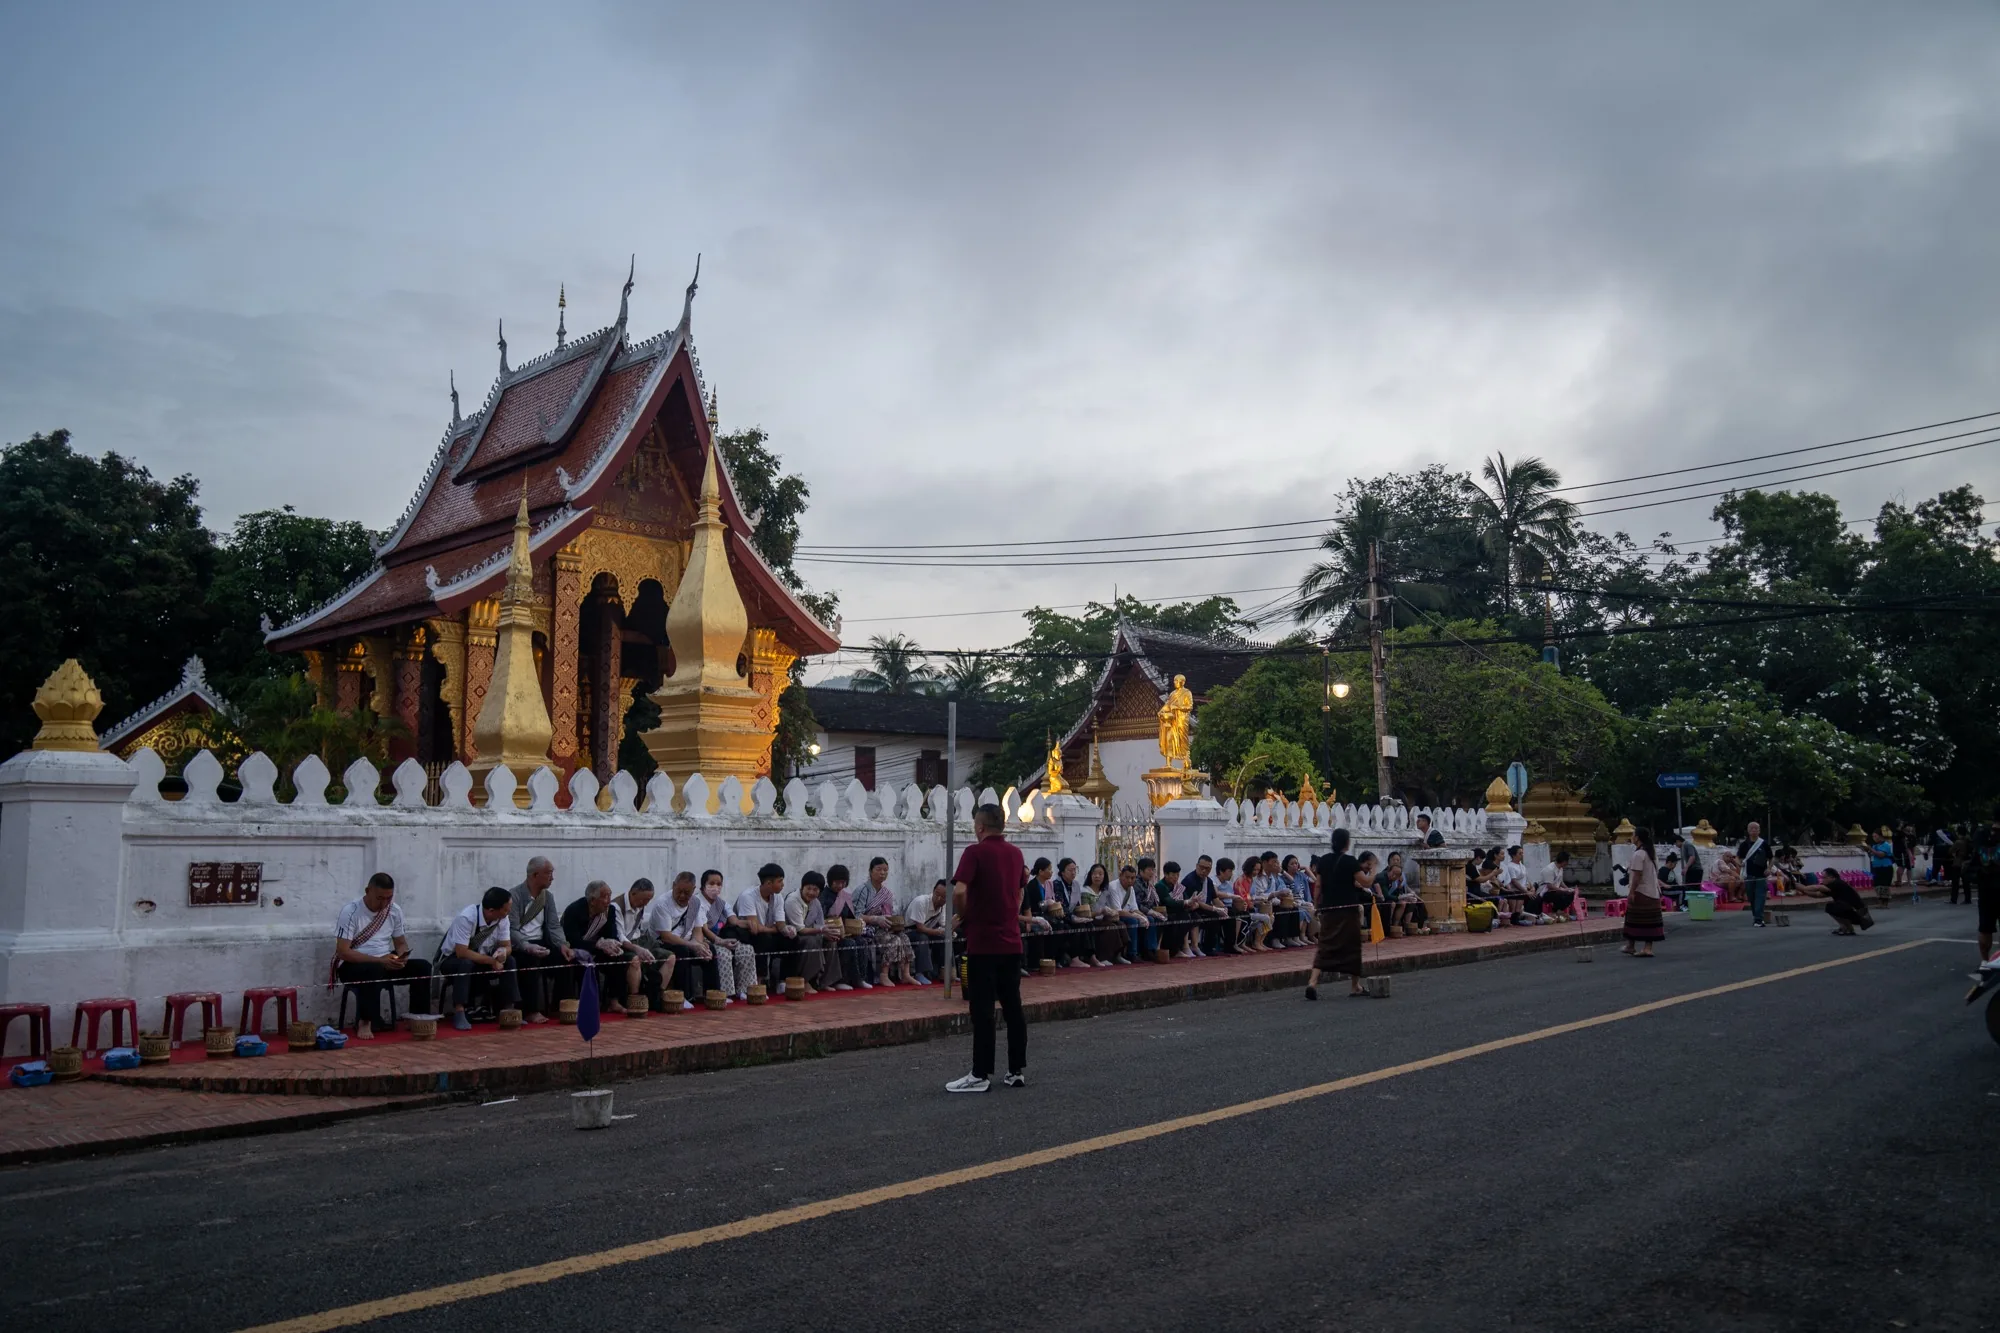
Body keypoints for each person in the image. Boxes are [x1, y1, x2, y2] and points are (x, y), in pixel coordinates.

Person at [946, 803, 1028, 1093]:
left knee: (982, 1009)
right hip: (1011, 940)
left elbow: (958, 890)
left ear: (979, 826)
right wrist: (1008, 913)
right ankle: (1016, 1070)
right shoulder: (1016, 854)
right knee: (1013, 1006)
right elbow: (1020, 891)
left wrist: (966, 915)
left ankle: (980, 1074)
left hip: (983, 941)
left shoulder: (975, 852)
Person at [334, 872, 432, 1039]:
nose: (384, 903)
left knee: (422, 967)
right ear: (368, 891)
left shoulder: (394, 910)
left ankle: (417, 1018)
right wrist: (379, 961)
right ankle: (366, 1021)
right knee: (373, 970)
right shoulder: (350, 912)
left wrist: (401, 958)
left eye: (389, 898)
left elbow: (400, 943)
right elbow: (343, 951)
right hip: (354, 965)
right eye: (380, 898)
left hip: (385, 960)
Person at [437, 887, 519, 1028]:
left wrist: (502, 953)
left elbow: (507, 945)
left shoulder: (503, 919)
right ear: (491, 910)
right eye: (506, 909)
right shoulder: (467, 918)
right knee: (465, 963)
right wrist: (491, 961)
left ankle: (509, 1010)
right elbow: (462, 952)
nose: (508, 913)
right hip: (452, 960)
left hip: (482, 958)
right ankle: (459, 1011)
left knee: (510, 961)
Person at [563, 879, 648, 1013]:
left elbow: (612, 936)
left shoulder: (610, 910)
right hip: (577, 950)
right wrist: (598, 943)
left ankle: (614, 1001)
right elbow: (573, 941)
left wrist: (611, 945)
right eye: (605, 897)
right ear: (592, 900)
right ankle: (587, 1004)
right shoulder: (574, 911)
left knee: (618, 957)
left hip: (598, 949)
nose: (609, 900)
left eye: (610, 895)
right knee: (587, 964)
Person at [635, 872, 720, 1006]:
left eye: (686, 893)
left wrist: (699, 946)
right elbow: (666, 936)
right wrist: (692, 945)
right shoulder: (663, 903)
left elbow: (698, 930)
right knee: (682, 951)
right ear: (673, 886)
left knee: (710, 950)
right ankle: (683, 995)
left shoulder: (696, 903)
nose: (682, 896)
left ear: (693, 890)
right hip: (662, 943)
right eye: (679, 891)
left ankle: (713, 994)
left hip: (687, 942)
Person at [1306, 829, 1370, 999]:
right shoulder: (1350, 861)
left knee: (1325, 945)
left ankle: (1312, 982)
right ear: (1347, 844)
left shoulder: (1324, 860)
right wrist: (1375, 869)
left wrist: (1316, 904)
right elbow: (1365, 881)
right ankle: (1355, 986)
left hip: (1328, 909)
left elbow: (1318, 885)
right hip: (1348, 909)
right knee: (1353, 946)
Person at [508, 856, 572, 1023]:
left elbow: (554, 925)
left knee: (564, 959)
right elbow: (511, 929)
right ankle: (530, 1010)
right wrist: (526, 945)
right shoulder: (514, 896)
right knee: (530, 961)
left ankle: (560, 1006)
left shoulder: (547, 897)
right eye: (548, 873)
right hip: (520, 945)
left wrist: (563, 944)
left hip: (542, 942)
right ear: (535, 875)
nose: (552, 878)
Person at [733, 864, 799, 990]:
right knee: (763, 938)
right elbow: (754, 927)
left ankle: (783, 981)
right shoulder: (748, 896)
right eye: (780, 881)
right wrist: (774, 928)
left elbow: (780, 924)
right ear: (769, 883)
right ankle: (758, 981)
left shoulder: (777, 897)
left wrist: (787, 930)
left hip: (766, 933)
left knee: (792, 940)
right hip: (747, 935)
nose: (783, 884)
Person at [858, 857, 919, 986]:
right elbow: (856, 915)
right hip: (868, 928)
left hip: (885, 927)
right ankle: (883, 975)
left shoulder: (887, 893)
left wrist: (893, 922)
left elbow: (889, 913)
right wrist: (875, 919)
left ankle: (906, 974)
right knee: (894, 940)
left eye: (885, 870)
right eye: (879, 869)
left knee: (904, 937)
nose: (882, 873)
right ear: (870, 871)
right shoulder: (862, 890)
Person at [698, 869, 756, 1002]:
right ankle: (724, 993)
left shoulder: (722, 903)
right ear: (703, 885)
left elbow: (734, 921)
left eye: (719, 884)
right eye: (711, 883)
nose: (715, 887)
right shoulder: (698, 902)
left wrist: (748, 923)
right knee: (724, 954)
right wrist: (720, 942)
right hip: (705, 940)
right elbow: (704, 929)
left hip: (723, 939)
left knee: (746, 950)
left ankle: (745, 989)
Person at [784, 870, 844, 993]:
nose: (811, 892)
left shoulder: (816, 903)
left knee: (831, 940)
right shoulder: (792, 900)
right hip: (792, 936)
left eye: (815, 890)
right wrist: (821, 930)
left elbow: (820, 923)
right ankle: (805, 981)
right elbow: (800, 929)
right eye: (808, 888)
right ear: (802, 887)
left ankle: (825, 981)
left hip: (811, 933)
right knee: (812, 941)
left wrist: (828, 932)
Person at [609, 878, 666, 1006]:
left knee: (669, 957)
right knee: (635, 960)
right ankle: (634, 1000)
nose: (645, 904)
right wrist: (638, 949)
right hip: (624, 945)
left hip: (639, 940)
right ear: (633, 893)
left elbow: (639, 929)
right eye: (643, 899)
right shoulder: (616, 907)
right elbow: (620, 937)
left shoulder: (640, 905)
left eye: (648, 900)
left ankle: (657, 996)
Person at [1621, 828, 1664, 957]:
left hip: (1642, 891)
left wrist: (1632, 892)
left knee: (1635, 918)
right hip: (1653, 891)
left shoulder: (1639, 854)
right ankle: (1640, 946)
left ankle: (1635, 946)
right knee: (1646, 920)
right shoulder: (1650, 853)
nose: (1632, 837)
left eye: (1633, 835)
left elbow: (1637, 876)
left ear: (1638, 838)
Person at [1081, 862, 1131, 964]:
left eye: (1100, 874)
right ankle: (1103, 957)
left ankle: (1118, 954)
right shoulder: (1085, 891)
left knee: (1121, 925)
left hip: (1103, 918)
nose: (1097, 876)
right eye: (1094, 874)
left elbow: (1110, 907)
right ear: (1090, 875)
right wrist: (1100, 911)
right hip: (1091, 920)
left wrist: (1111, 912)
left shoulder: (1105, 891)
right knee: (1110, 928)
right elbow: (1086, 913)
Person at [1099, 863, 1150, 963]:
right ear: (1120, 875)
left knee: (1150, 920)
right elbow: (1118, 911)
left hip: (1126, 914)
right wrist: (1137, 916)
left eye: (1133, 878)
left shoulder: (1131, 888)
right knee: (1133, 921)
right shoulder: (1113, 887)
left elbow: (1134, 907)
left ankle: (1147, 951)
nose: (1130, 880)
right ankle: (1132, 953)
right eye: (1127, 877)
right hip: (1113, 916)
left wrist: (1144, 916)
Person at [1801, 866, 1874, 935]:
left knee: (1834, 907)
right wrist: (1802, 890)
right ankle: (1845, 927)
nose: (1822, 880)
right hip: (1855, 912)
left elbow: (1818, 887)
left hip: (1859, 914)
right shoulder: (1834, 885)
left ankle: (1848, 928)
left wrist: (1803, 888)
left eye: (1824, 878)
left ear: (1832, 877)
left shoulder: (1836, 883)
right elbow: (1818, 895)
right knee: (1832, 906)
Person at [906, 879, 951, 983]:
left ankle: (945, 970)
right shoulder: (921, 902)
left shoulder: (942, 908)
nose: (939, 898)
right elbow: (920, 928)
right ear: (934, 890)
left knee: (945, 938)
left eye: (943, 896)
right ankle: (920, 973)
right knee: (922, 937)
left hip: (927, 931)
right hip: (909, 933)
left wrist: (949, 929)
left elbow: (944, 924)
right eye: (937, 894)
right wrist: (938, 931)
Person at [1738, 821, 1772, 927]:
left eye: (1756, 829)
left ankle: (1759, 919)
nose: (1754, 831)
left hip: (1761, 875)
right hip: (1749, 875)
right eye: (1751, 829)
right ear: (1748, 831)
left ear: (1759, 830)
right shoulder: (1744, 844)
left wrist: (1769, 868)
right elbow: (1738, 857)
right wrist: (1740, 864)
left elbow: (1771, 857)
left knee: (1760, 897)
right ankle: (1756, 916)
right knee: (1751, 897)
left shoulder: (1764, 843)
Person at [1536, 850, 1577, 920]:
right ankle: (1554, 911)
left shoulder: (1560, 869)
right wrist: (1562, 890)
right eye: (1567, 861)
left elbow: (1560, 882)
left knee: (1570, 894)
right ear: (1564, 861)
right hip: (1545, 892)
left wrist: (1568, 889)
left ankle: (1558, 910)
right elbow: (1549, 886)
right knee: (1560, 894)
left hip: (1556, 890)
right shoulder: (1549, 869)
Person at [1869, 829, 1896, 906]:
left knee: (1884, 885)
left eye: (1876, 836)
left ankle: (1885, 903)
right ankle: (1880, 902)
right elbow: (1872, 855)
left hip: (1885, 868)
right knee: (1877, 885)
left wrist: (1871, 849)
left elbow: (1881, 855)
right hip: (1876, 867)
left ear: (1880, 836)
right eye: (1873, 836)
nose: (1874, 838)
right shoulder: (1875, 846)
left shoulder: (1886, 845)